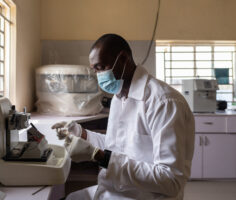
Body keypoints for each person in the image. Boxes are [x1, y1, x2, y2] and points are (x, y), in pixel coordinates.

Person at [52, 34, 195, 200]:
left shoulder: (164, 102)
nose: (99, 76)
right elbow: (118, 146)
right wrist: (81, 134)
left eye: (101, 67)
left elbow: (170, 180)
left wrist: (99, 156)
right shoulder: (119, 97)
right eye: (95, 70)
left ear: (123, 59)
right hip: (113, 191)